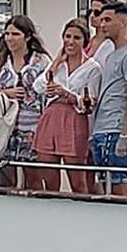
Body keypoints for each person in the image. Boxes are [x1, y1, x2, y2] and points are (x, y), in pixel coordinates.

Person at [0, 14, 49, 188]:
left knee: (33, 177)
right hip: (3, 126)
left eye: (15, 34)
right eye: (7, 34)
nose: (10, 38)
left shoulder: (41, 61)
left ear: (27, 36)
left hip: (32, 127)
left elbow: (48, 94)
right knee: (6, 176)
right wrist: (5, 93)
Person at [87, 0, 127, 195]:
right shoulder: (113, 54)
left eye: (107, 20)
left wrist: (125, 133)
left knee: (118, 184)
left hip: (116, 127)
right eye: (101, 20)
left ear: (123, 23)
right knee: (105, 183)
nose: (102, 25)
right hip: (102, 126)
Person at [32, 17, 97, 195]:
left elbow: (89, 103)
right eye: (67, 37)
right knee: (49, 177)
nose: (70, 41)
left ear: (84, 41)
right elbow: (37, 87)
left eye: (76, 38)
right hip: (51, 117)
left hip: (74, 119)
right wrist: (56, 63)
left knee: (77, 180)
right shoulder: (58, 65)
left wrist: (66, 94)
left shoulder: (93, 68)